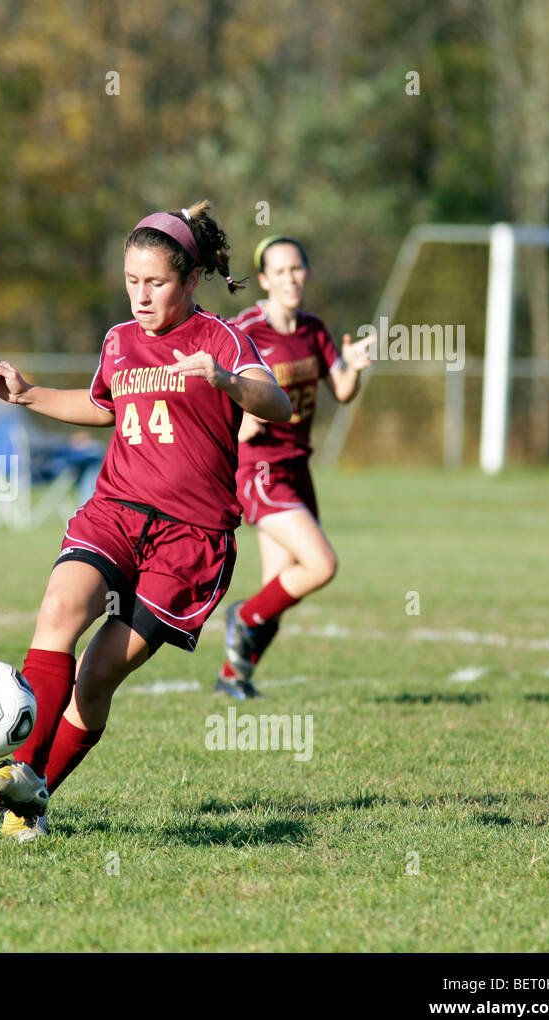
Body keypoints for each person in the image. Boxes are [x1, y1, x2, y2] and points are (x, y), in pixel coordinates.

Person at [0, 203, 291, 841]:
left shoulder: (220, 339)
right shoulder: (119, 340)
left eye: (156, 283)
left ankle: (33, 798)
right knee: (60, 612)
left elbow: (274, 402)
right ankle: (22, 770)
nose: (141, 295)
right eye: (131, 281)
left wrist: (226, 382)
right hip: (114, 510)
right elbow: (101, 406)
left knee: (101, 670)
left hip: (191, 540)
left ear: (190, 280)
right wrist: (26, 394)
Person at [214, 235, 373, 700]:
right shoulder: (245, 328)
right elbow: (215, 383)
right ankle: (241, 618)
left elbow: (341, 389)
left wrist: (356, 366)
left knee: (278, 591)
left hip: (298, 466)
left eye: (297, 269)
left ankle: (232, 676)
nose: (290, 278)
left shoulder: (313, 328)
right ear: (263, 280)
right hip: (260, 468)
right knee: (321, 564)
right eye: (279, 271)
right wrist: (238, 425)